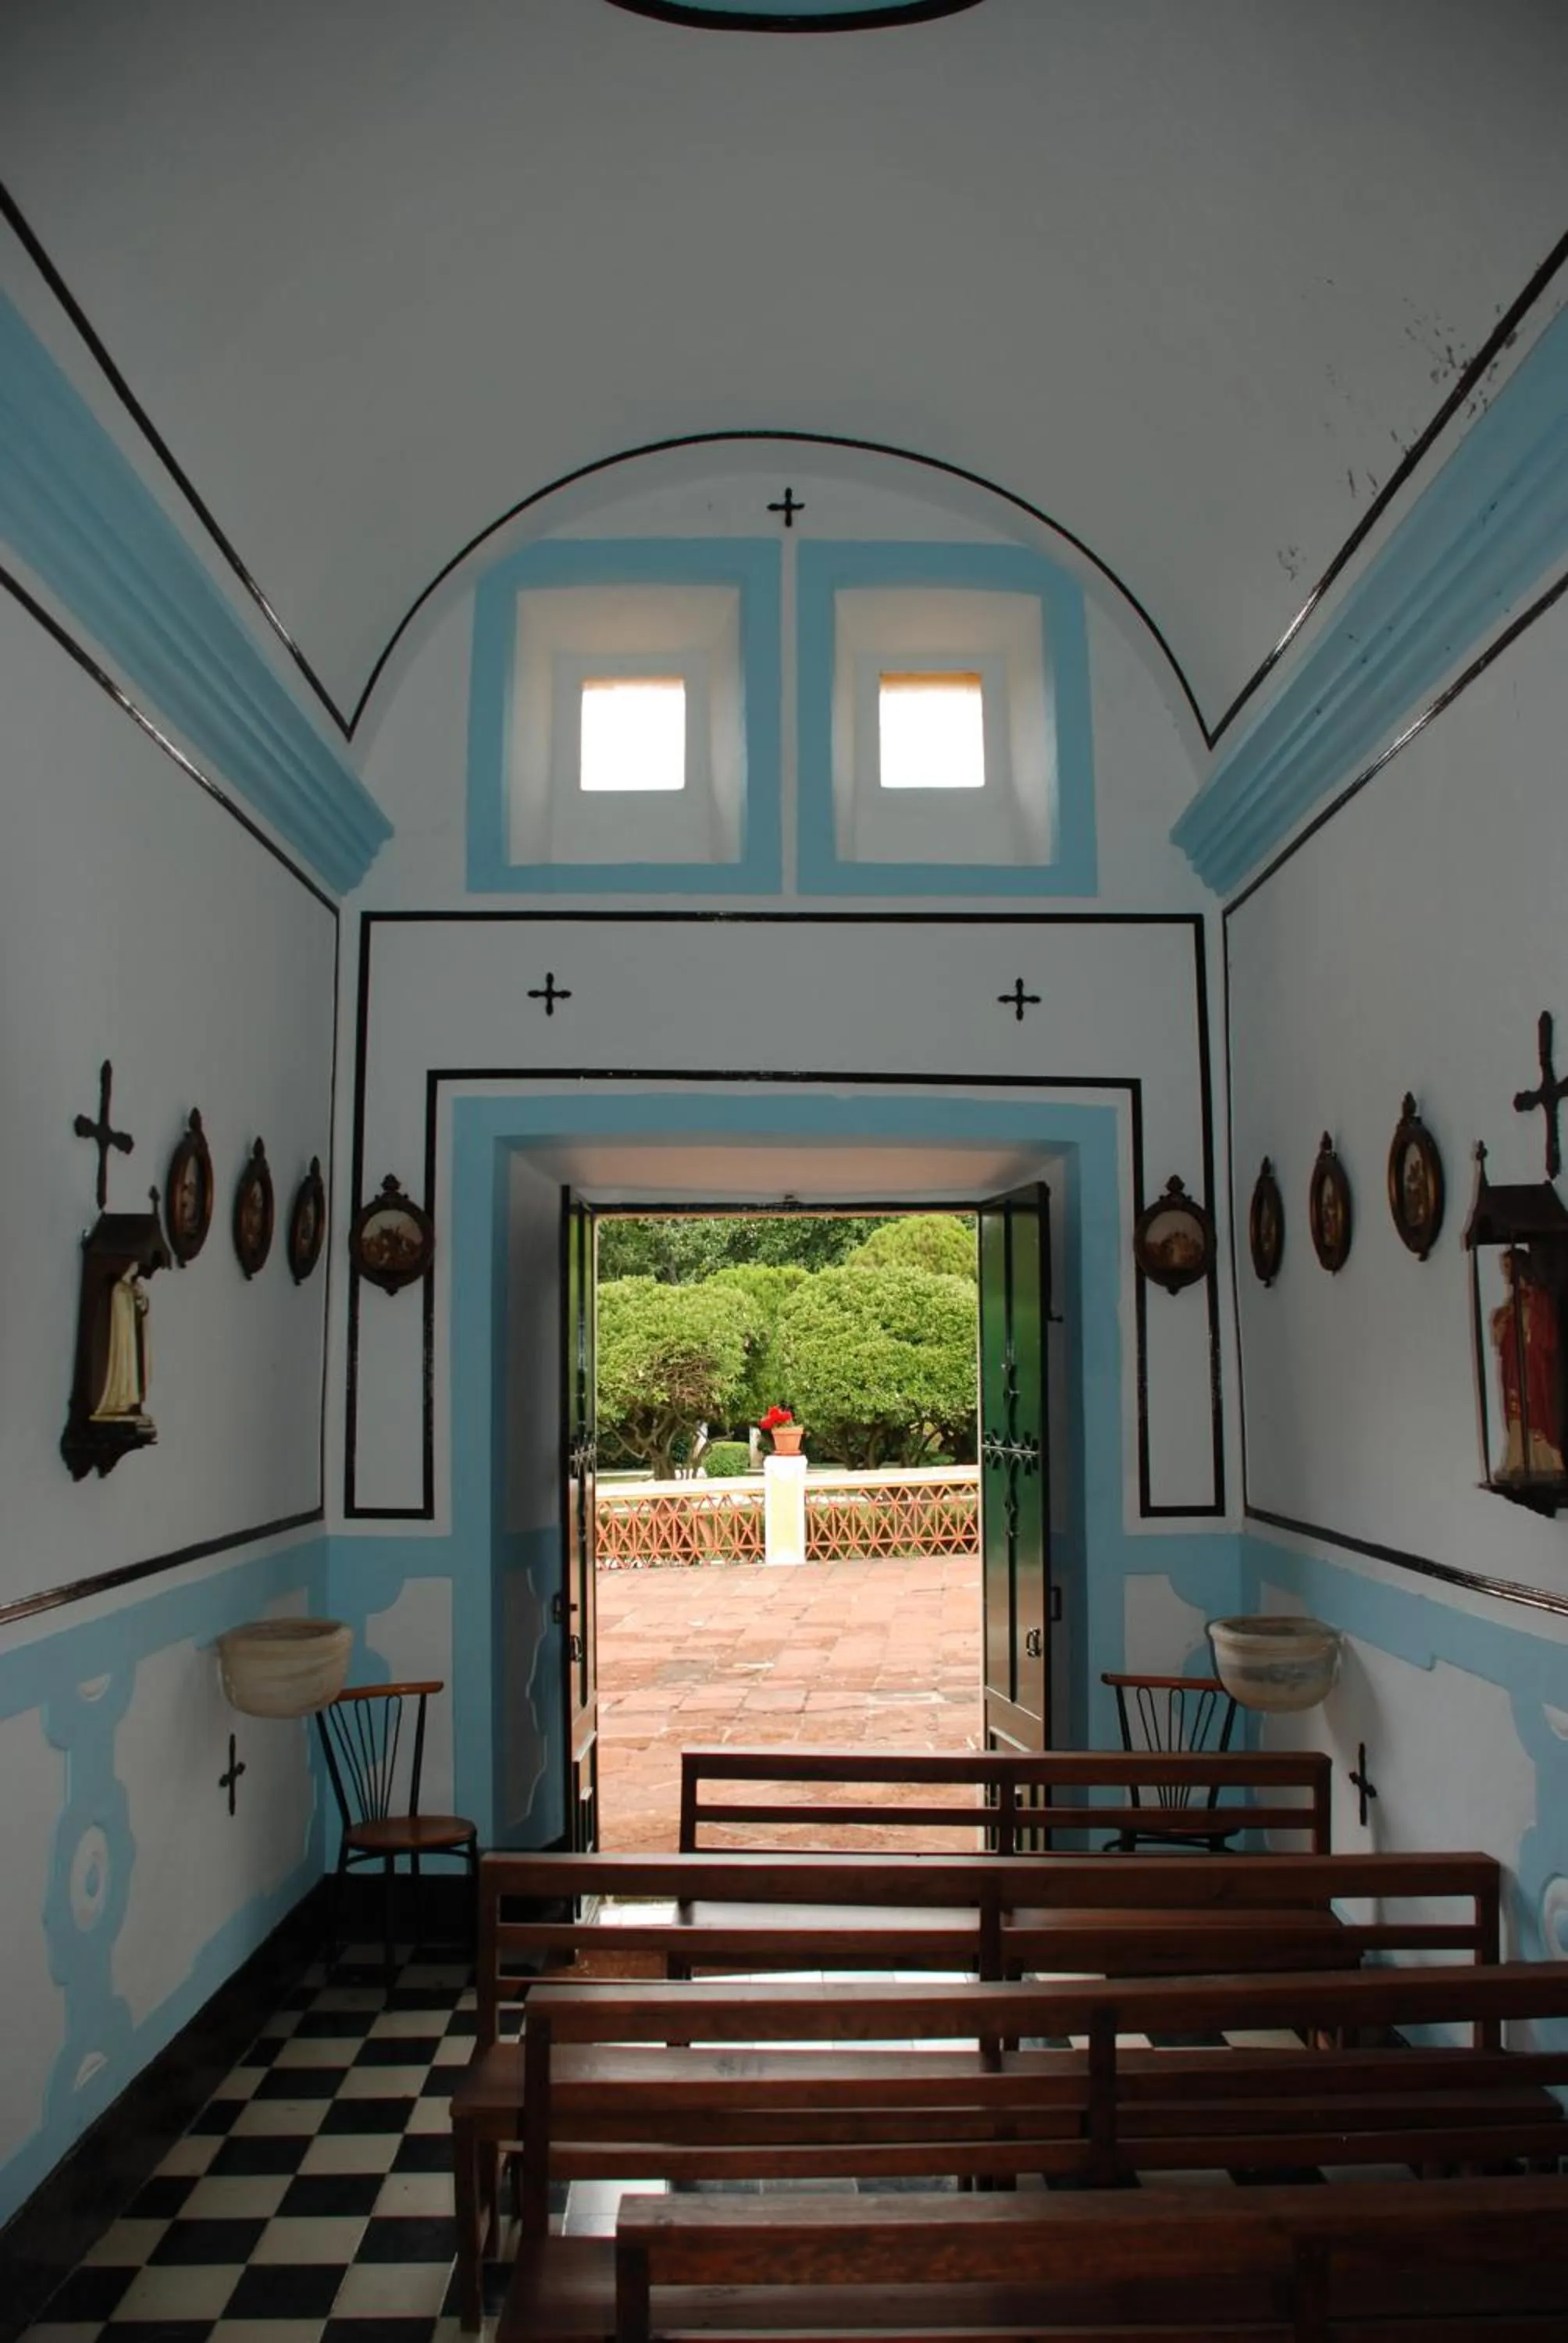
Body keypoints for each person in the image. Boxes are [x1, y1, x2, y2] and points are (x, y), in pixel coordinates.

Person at [1491, 1252, 1564, 1478]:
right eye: (1504, 1268)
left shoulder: (1539, 1299)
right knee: (1517, 1412)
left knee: (1538, 1411)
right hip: (1516, 1367)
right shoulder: (1514, 1302)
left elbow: (1547, 1337)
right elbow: (1501, 1337)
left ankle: (1548, 1461)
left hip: (1534, 1367)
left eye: (1508, 1267)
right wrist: (1502, 1321)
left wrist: (1528, 1324)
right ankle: (1519, 1461)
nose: (1505, 1273)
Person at [92, 1267, 151, 1421]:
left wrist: (141, 1304)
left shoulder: (132, 1288)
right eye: (134, 1266)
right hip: (122, 1339)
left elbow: (139, 1315)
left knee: (131, 1363)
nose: (137, 1269)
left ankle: (128, 1400)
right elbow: (120, 1316)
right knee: (122, 1361)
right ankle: (116, 1400)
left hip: (130, 1339)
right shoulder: (119, 1290)